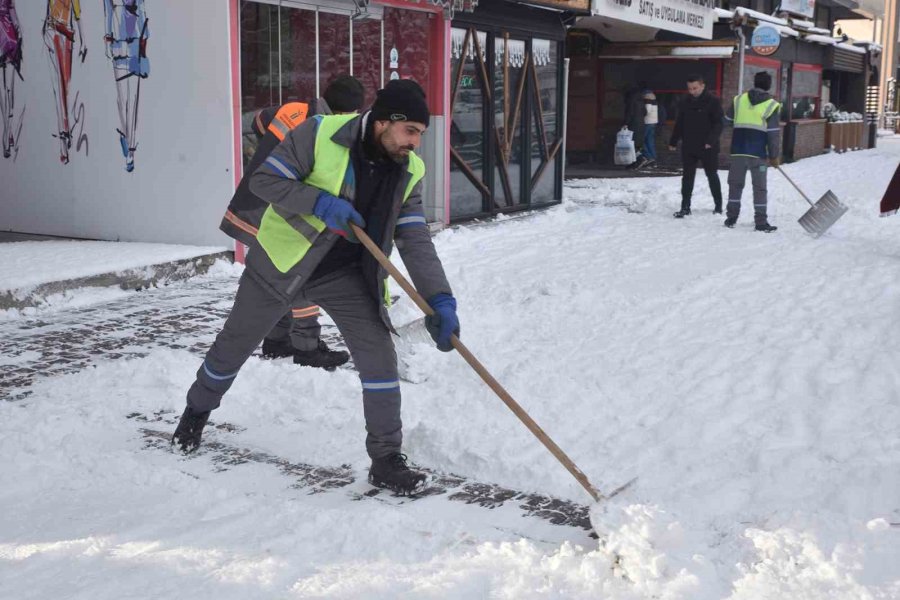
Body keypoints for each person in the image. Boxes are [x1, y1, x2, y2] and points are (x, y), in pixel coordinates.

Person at [172, 80, 460, 496]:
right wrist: (322, 204)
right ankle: (196, 411)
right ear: (384, 122)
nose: (415, 143)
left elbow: (414, 238)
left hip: (347, 275)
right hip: (281, 262)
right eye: (411, 131)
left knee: (380, 360)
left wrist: (440, 299)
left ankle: (386, 459)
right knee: (234, 344)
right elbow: (265, 182)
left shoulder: (409, 170)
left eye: (420, 134)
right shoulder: (318, 134)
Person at [222, 75, 365, 371]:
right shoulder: (323, 130)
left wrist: (266, 152)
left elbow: (259, 123)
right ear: (349, 113)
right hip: (279, 208)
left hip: (253, 200)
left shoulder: (293, 110)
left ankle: (276, 341)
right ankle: (306, 346)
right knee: (302, 274)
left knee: (281, 271)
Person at [724, 71, 781, 232]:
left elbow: (726, 122)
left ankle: (731, 218)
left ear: (754, 83)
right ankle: (761, 222)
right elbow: (773, 134)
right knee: (760, 187)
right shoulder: (771, 105)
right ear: (768, 85)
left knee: (735, 185)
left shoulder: (739, 100)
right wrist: (774, 156)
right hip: (759, 158)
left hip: (738, 153)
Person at [103, 0, 150, 173]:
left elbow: (109, 15)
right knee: (128, 100)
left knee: (126, 99)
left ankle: (129, 145)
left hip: (122, 45)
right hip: (129, 45)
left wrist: (108, 40)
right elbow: (143, 20)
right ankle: (128, 143)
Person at [668, 74, 724, 218]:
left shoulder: (713, 102)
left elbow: (719, 124)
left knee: (711, 175)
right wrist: (673, 141)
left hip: (707, 146)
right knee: (687, 176)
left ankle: (718, 205)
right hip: (689, 145)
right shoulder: (685, 102)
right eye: (690, 89)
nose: (692, 91)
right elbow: (680, 122)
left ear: (702, 86)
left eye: (695, 88)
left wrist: (710, 141)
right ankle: (685, 207)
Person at [43, 0, 86, 165]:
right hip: (53, 32)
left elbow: (77, 13)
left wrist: (83, 41)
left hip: (65, 35)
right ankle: (63, 138)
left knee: (64, 87)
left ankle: (65, 131)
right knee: (59, 87)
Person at [0, 0, 22, 160]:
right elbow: (12, 9)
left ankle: (7, 135)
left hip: (7, 37)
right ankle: (7, 134)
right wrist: (19, 29)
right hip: (9, 37)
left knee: (5, 93)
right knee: (8, 91)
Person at [634, 86, 663, 169]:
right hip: (653, 123)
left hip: (647, 123)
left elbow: (646, 111)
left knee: (642, 141)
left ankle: (649, 157)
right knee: (650, 142)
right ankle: (654, 159)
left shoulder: (648, 101)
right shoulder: (655, 101)